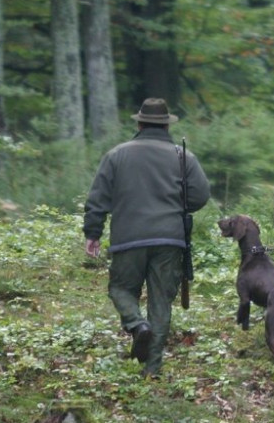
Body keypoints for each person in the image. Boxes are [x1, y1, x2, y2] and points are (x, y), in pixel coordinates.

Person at [83, 98, 210, 377]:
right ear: (166, 125)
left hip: (128, 238)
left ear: (139, 123)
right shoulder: (183, 156)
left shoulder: (116, 155)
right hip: (170, 240)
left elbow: (98, 198)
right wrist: (175, 206)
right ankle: (152, 369)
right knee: (161, 303)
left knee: (120, 289)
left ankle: (137, 324)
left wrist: (93, 233)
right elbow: (200, 196)